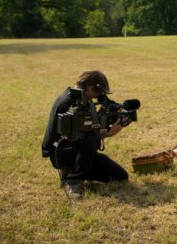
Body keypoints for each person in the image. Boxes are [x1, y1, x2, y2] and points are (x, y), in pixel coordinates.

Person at [41, 71, 129, 199]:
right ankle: (72, 181)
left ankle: (76, 171)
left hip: (78, 151)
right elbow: (81, 138)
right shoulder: (71, 104)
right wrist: (108, 133)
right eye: (98, 92)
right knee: (91, 141)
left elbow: (88, 129)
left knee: (120, 176)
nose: (99, 95)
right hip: (63, 153)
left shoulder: (81, 98)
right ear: (89, 88)